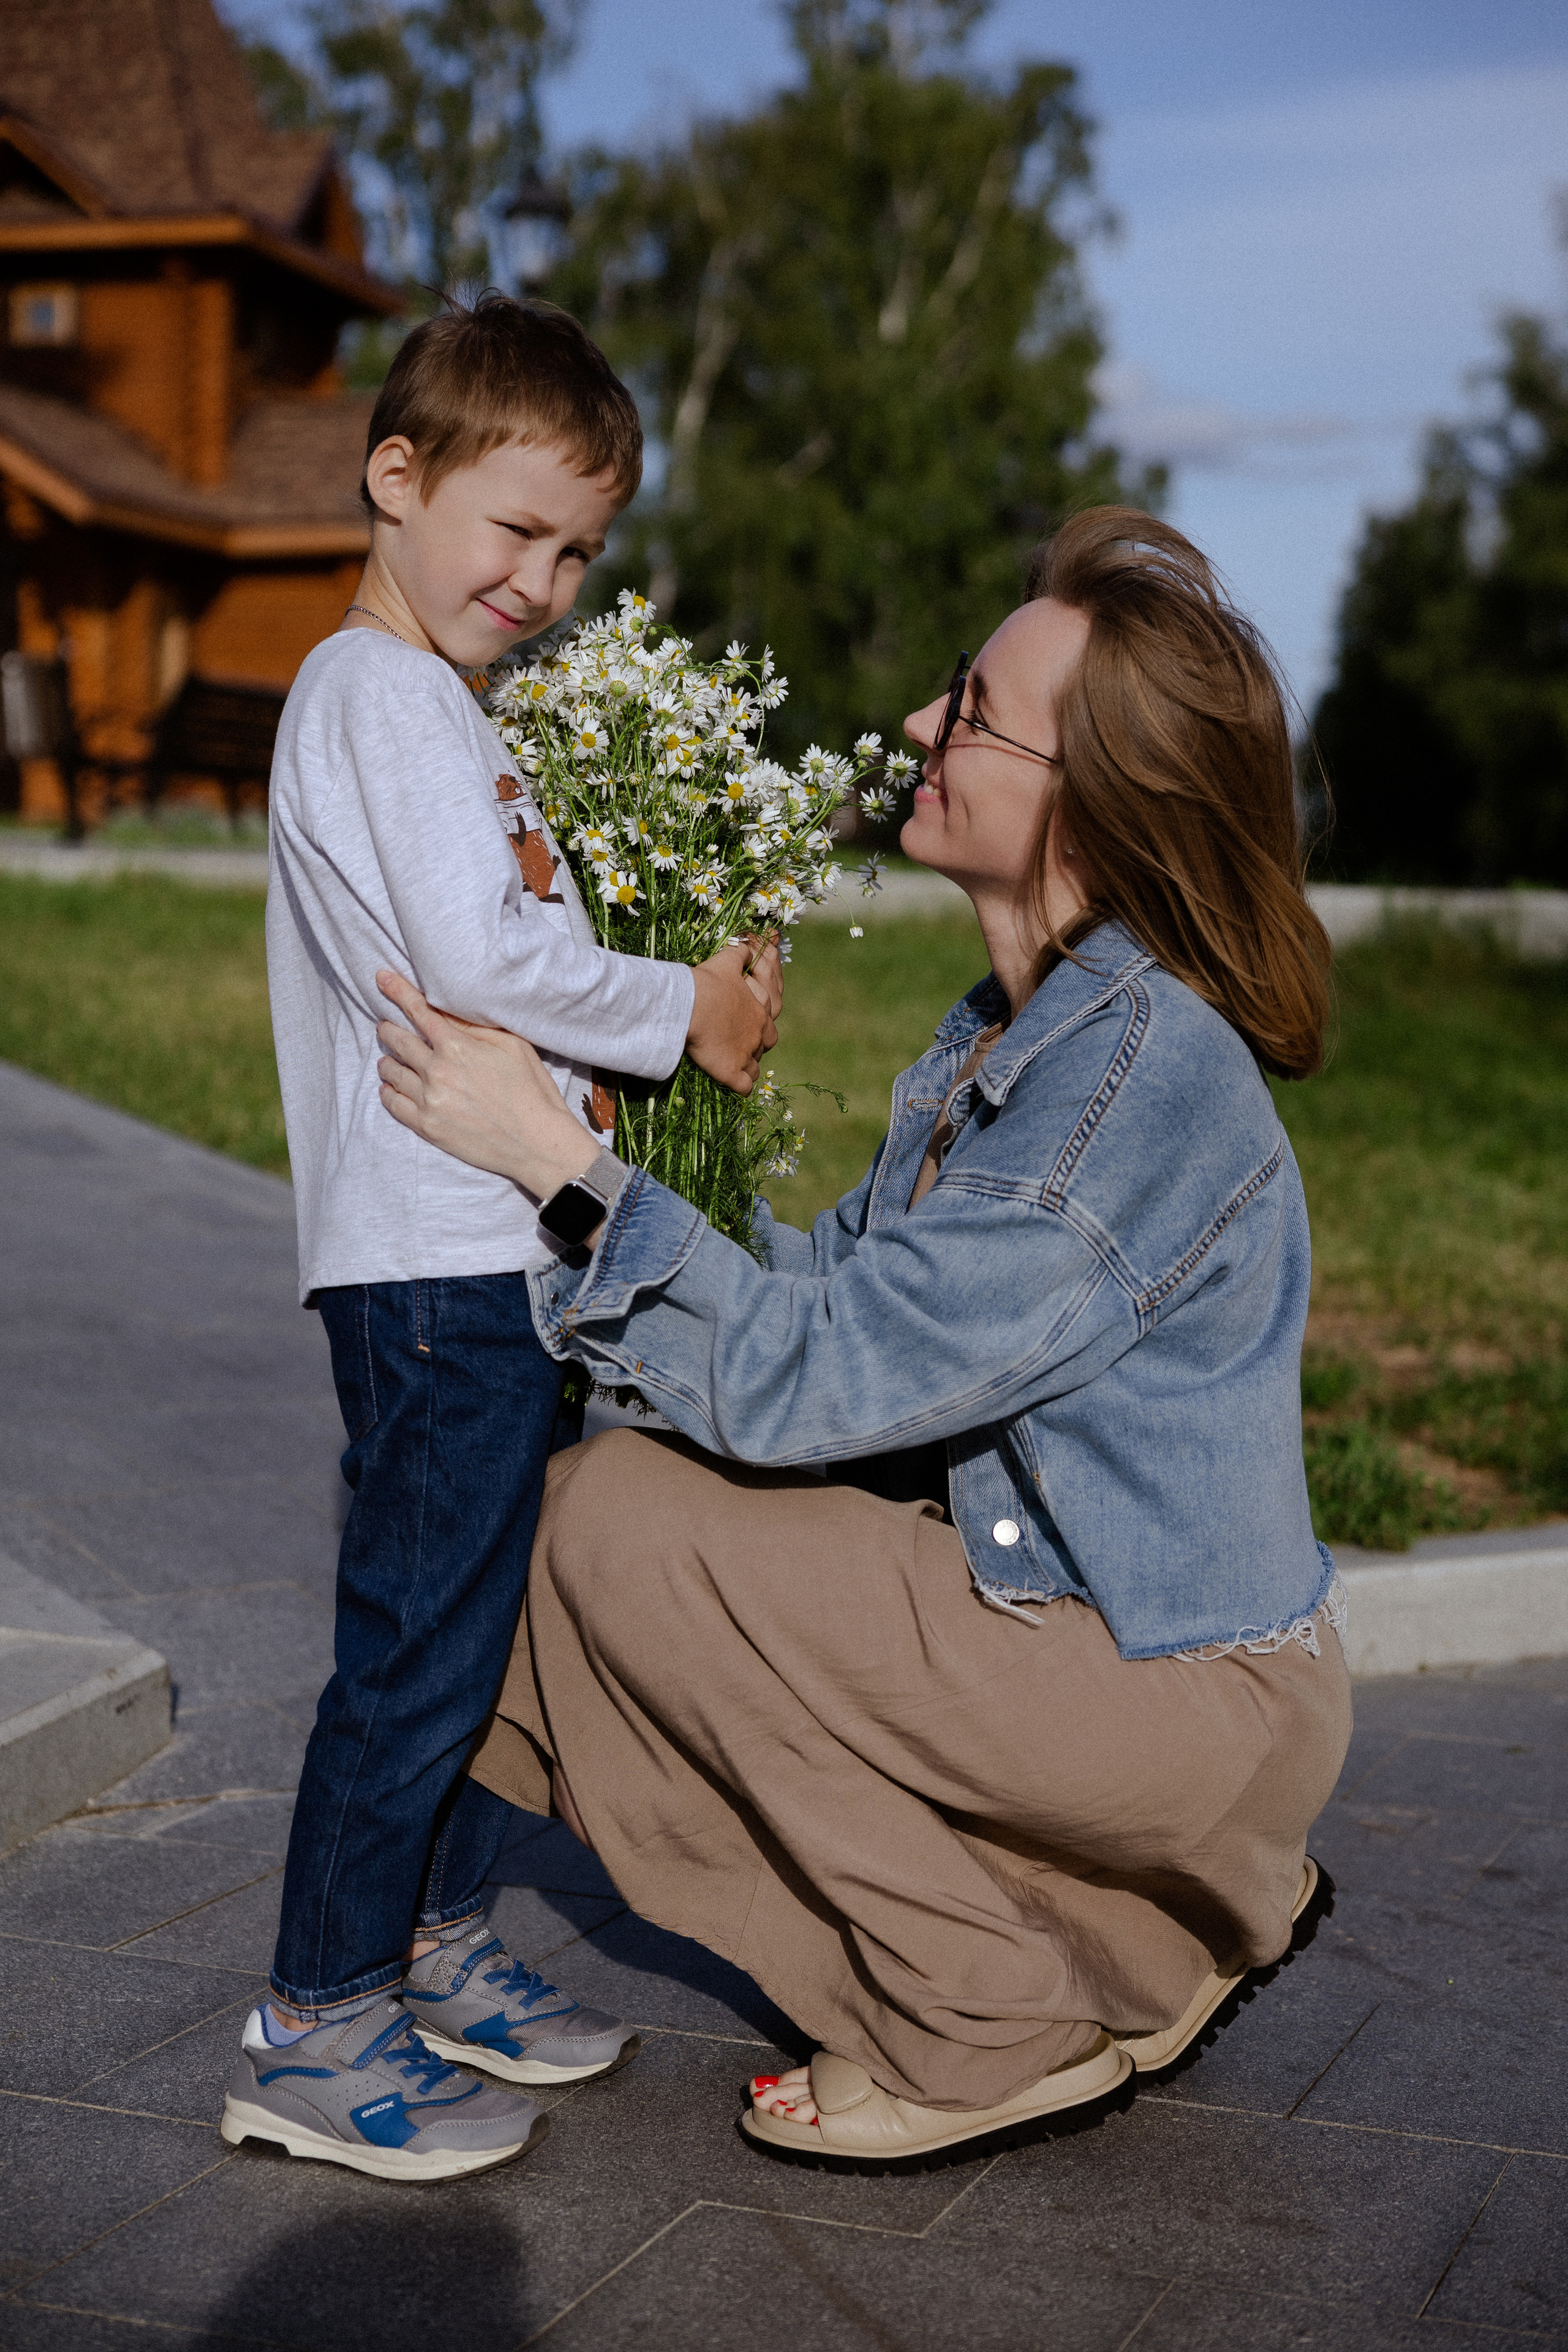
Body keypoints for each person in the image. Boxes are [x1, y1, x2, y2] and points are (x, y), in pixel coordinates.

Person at [372, 506, 1352, 2172]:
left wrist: (559, 1168)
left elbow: (809, 1378)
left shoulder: (1133, 1080)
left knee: (625, 1527)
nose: (918, 727)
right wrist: (616, 1120)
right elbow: (837, 1305)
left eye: (971, 711)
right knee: (633, 1489)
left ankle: (987, 2017)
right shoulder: (1009, 1040)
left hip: (1179, 1685)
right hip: (1098, 1642)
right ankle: (1130, 1941)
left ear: (1094, 806)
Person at [221, 294, 782, 2184]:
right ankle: (313, 2018)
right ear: (397, 480)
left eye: (581, 553)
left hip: (491, 1242)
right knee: (417, 1646)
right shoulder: (373, 694)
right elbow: (477, 961)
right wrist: (680, 1007)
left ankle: (432, 1943)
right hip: (432, 1260)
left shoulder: (439, 707)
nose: (544, 581)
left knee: (482, 1626)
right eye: (514, 531)